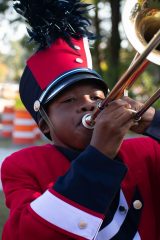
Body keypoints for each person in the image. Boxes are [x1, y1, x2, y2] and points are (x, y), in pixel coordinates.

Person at [1, 0, 160, 239]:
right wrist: (99, 155)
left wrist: (153, 120)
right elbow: (26, 233)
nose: (87, 103)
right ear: (44, 122)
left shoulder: (146, 150)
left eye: (97, 96)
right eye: (69, 101)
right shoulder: (23, 165)